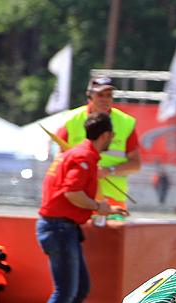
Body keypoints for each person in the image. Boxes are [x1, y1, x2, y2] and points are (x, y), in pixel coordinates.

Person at [37, 113, 128, 303]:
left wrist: (104, 208)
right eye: (112, 135)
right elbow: (72, 193)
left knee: (79, 289)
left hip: (61, 227)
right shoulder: (83, 157)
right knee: (66, 291)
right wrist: (98, 207)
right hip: (59, 227)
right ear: (106, 135)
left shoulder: (80, 154)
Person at [57, 77, 141, 213]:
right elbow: (59, 157)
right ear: (89, 95)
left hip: (112, 199)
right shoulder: (71, 119)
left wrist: (109, 170)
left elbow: (135, 164)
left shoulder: (126, 123)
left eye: (109, 95)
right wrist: (85, 169)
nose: (105, 99)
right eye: (100, 95)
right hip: (78, 196)